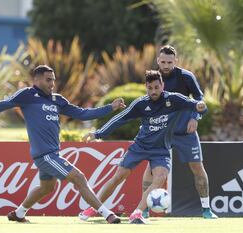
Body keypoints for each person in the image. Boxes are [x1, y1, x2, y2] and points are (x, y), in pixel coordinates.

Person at [0, 65, 126, 224]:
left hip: (53, 154)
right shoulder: (27, 95)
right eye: (48, 80)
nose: (52, 84)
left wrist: (110, 107)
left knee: (46, 188)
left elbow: (82, 114)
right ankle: (107, 214)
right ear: (36, 79)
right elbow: (0, 105)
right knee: (79, 178)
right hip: (45, 155)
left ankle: (19, 213)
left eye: (53, 80)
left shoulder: (57, 100)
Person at [78, 70, 207, 224]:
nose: (153, 91)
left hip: (161, 150)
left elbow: (196, 104)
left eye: (156, 87)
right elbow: (119, 119)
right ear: (146, 87)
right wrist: (97, 133)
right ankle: (94, 208)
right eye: (150, 88)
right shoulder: (140, 104)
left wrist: (200, 107)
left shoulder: (173, 100)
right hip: (140, 147)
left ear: (162, 86)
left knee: (160, 177)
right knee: (118, 177)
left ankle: (137, 213)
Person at [141, 45, 217, 219]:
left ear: (176, 61)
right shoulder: (154, 78)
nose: (166, 65)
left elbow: (200, 99)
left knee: (197, 167)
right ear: (158, 61)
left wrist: (194, 118)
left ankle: (206, 210)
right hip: (161, 133)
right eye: (163, 62)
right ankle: (143, 208)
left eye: (169, 62)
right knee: (151, 169)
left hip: (185, 132)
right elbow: (148, 102)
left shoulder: (186, 77)